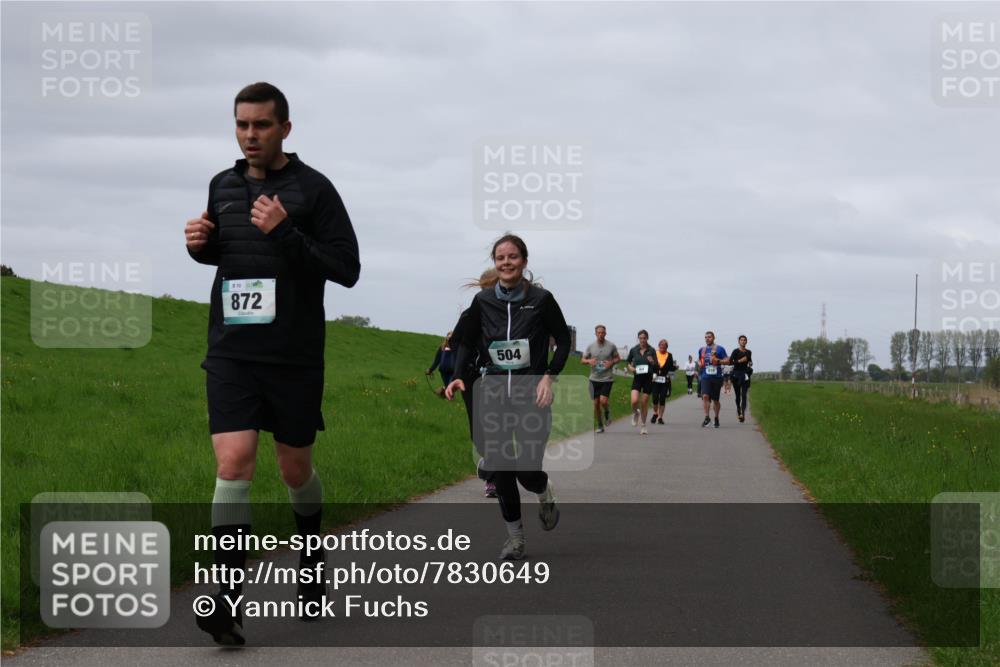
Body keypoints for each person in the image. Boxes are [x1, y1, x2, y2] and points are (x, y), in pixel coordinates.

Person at [185, 82, 361, 645]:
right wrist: (200, 245)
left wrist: (286, 231)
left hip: (294, 356)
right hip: (233, 352)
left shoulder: (314, 190)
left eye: (261, 125)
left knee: (293, 470)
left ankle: (311, 560)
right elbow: (230, 251)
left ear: (285, 128)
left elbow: (346, 267)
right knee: (233, 463)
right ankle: (227, 598)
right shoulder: (222, 184)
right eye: (241, 125)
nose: (250, 135)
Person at [445, 234, 569, 561]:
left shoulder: (542, 300)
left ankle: (544, 493)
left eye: (512, 257)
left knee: (527, 472)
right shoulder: (484, 301)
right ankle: (515, 538)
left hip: (533, 396)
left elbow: (564, 341)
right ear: (495, 263)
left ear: (524, 262)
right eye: (500, 257)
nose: (506, 262)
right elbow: (467, 342)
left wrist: (548, 377)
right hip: (495, 394)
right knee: (500, 469)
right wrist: (458, 375)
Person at [453, 269, 499, 498]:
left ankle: (494, 479)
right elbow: (457, 343)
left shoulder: (509, 316)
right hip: (472, 379)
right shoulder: (470, 315)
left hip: (500, 379)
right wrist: (456, 376)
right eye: (487, 289)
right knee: (478, 431)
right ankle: (488, 459)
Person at [582, 324, 621, 433]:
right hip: (593, 379)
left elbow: (618, 358)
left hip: (607, 379)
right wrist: (589, 361)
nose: (600, 334)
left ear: (605, 333)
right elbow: (583, 360)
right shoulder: (591, 346)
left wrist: (611, 362)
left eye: (602, 332)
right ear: (595, 334)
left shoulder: (611, 346)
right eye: (598, 333)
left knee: (603, 401)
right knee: (596, 405)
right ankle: (600, 425)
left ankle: (607, 413)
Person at [626, 330, 658, 435]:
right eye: (641, 338)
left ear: (647, 338)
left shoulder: (652, 350)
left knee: (644, 402)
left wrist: (652, 362)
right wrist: (631, 368)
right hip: (637, 378)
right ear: (638, 338)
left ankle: (643, 426)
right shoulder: (634, 350)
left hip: (648, 379)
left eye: (644, 338)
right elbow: (628, 362)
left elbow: (657, 366)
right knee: (634, 401)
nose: (642, 340)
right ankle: (636, 413)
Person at [697, 331, 730, 429]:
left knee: (716, 400)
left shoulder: (720, 349)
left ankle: (716, 417)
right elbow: (700, 360)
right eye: (706, 337)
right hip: (705, 376)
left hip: (717, 377)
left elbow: (728, 361)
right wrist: (700, 363)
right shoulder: (701, 350)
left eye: (709, 337)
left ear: (714, 338)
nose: (707, 339)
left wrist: (718, 360)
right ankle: (707, 418)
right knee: (705, 396)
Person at [651, 339, 676, 424]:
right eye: (661, 344)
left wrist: (675, 367)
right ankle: (655, 413)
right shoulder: (654, 354)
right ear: (659, 345)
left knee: (662, 398)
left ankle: (660, 417)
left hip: (665, 380)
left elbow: (671, 367)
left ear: (667, 347)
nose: (662, 346)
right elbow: (650, 364)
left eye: (664, 345)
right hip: (655, 379)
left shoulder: (669, 355)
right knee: (654, 398)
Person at [730, 335, 754, 422]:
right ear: (739, 342)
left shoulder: (749, 352)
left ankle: (742, 414)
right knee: (738, 396)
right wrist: (740, 361)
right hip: (736, 374)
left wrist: (750, 363)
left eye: (744, 340)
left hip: (745, 374)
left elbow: (750, 360)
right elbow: (730, 362)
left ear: (746, 342)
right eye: (741, 340)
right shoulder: (735, 351)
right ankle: (738, 409)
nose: (743, 341)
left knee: (744, 395)